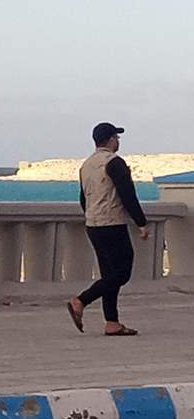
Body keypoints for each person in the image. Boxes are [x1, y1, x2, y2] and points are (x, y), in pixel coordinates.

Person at [67, 123, 149, 336]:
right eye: (116, 137)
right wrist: (141, 222)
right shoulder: (114, 162)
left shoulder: (86, 165)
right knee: (122, 273)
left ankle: (112, 322)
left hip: (93, 224)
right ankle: (81, 300)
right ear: (111, 139)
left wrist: (91, 215)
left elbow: (83, 198)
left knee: (108, 274)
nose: (118, 141)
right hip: (113, 223)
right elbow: (127, 194)